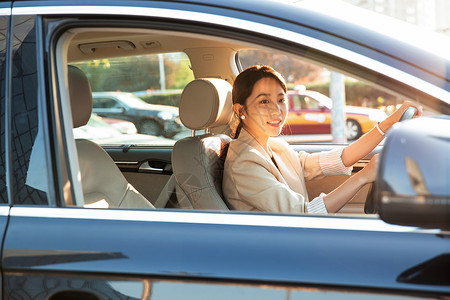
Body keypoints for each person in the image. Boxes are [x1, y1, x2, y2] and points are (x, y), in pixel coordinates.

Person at [222, 65, 421, 214]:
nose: (277, 110)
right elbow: (303, 214)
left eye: (281, 99)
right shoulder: (243, 162)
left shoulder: (274, 146)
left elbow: (336, 160)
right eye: (264, 101)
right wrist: (362, 177)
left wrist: (388, 123)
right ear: (241, 110)